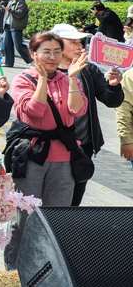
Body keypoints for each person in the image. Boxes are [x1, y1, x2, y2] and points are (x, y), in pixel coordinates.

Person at [3, 32, 88, 269]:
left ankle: (48, 270)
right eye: (46, 52)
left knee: (57, 218)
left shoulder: (68, 78)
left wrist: (72, 80)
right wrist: (41, 80)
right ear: (33, 54)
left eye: (57, 52)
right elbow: (33, 112)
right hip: (32, 157)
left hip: (63, 159)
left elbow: (77, 110)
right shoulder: (22, 79)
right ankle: (14, 268)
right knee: (25, 219)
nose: (52, 57)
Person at [50, 23, 124, 206]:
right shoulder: (45, 73)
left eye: (80, 42)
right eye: (73, 42)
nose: (79, 46)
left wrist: (113, 86)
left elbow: (111, 100)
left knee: (74, 200)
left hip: (83, 147)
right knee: (52, 202)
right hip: (53, 147)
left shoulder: (88, 70)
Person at [2, 0, 33, 67]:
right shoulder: (10, 2)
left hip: (16, 26)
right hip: (7, 25)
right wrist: (3, 2)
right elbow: (4, 10)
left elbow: (20, 14)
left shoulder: (21, 3)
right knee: (7, 44)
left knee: (18, 45)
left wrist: (11, 10)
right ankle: (8, 62)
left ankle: (31, 60)